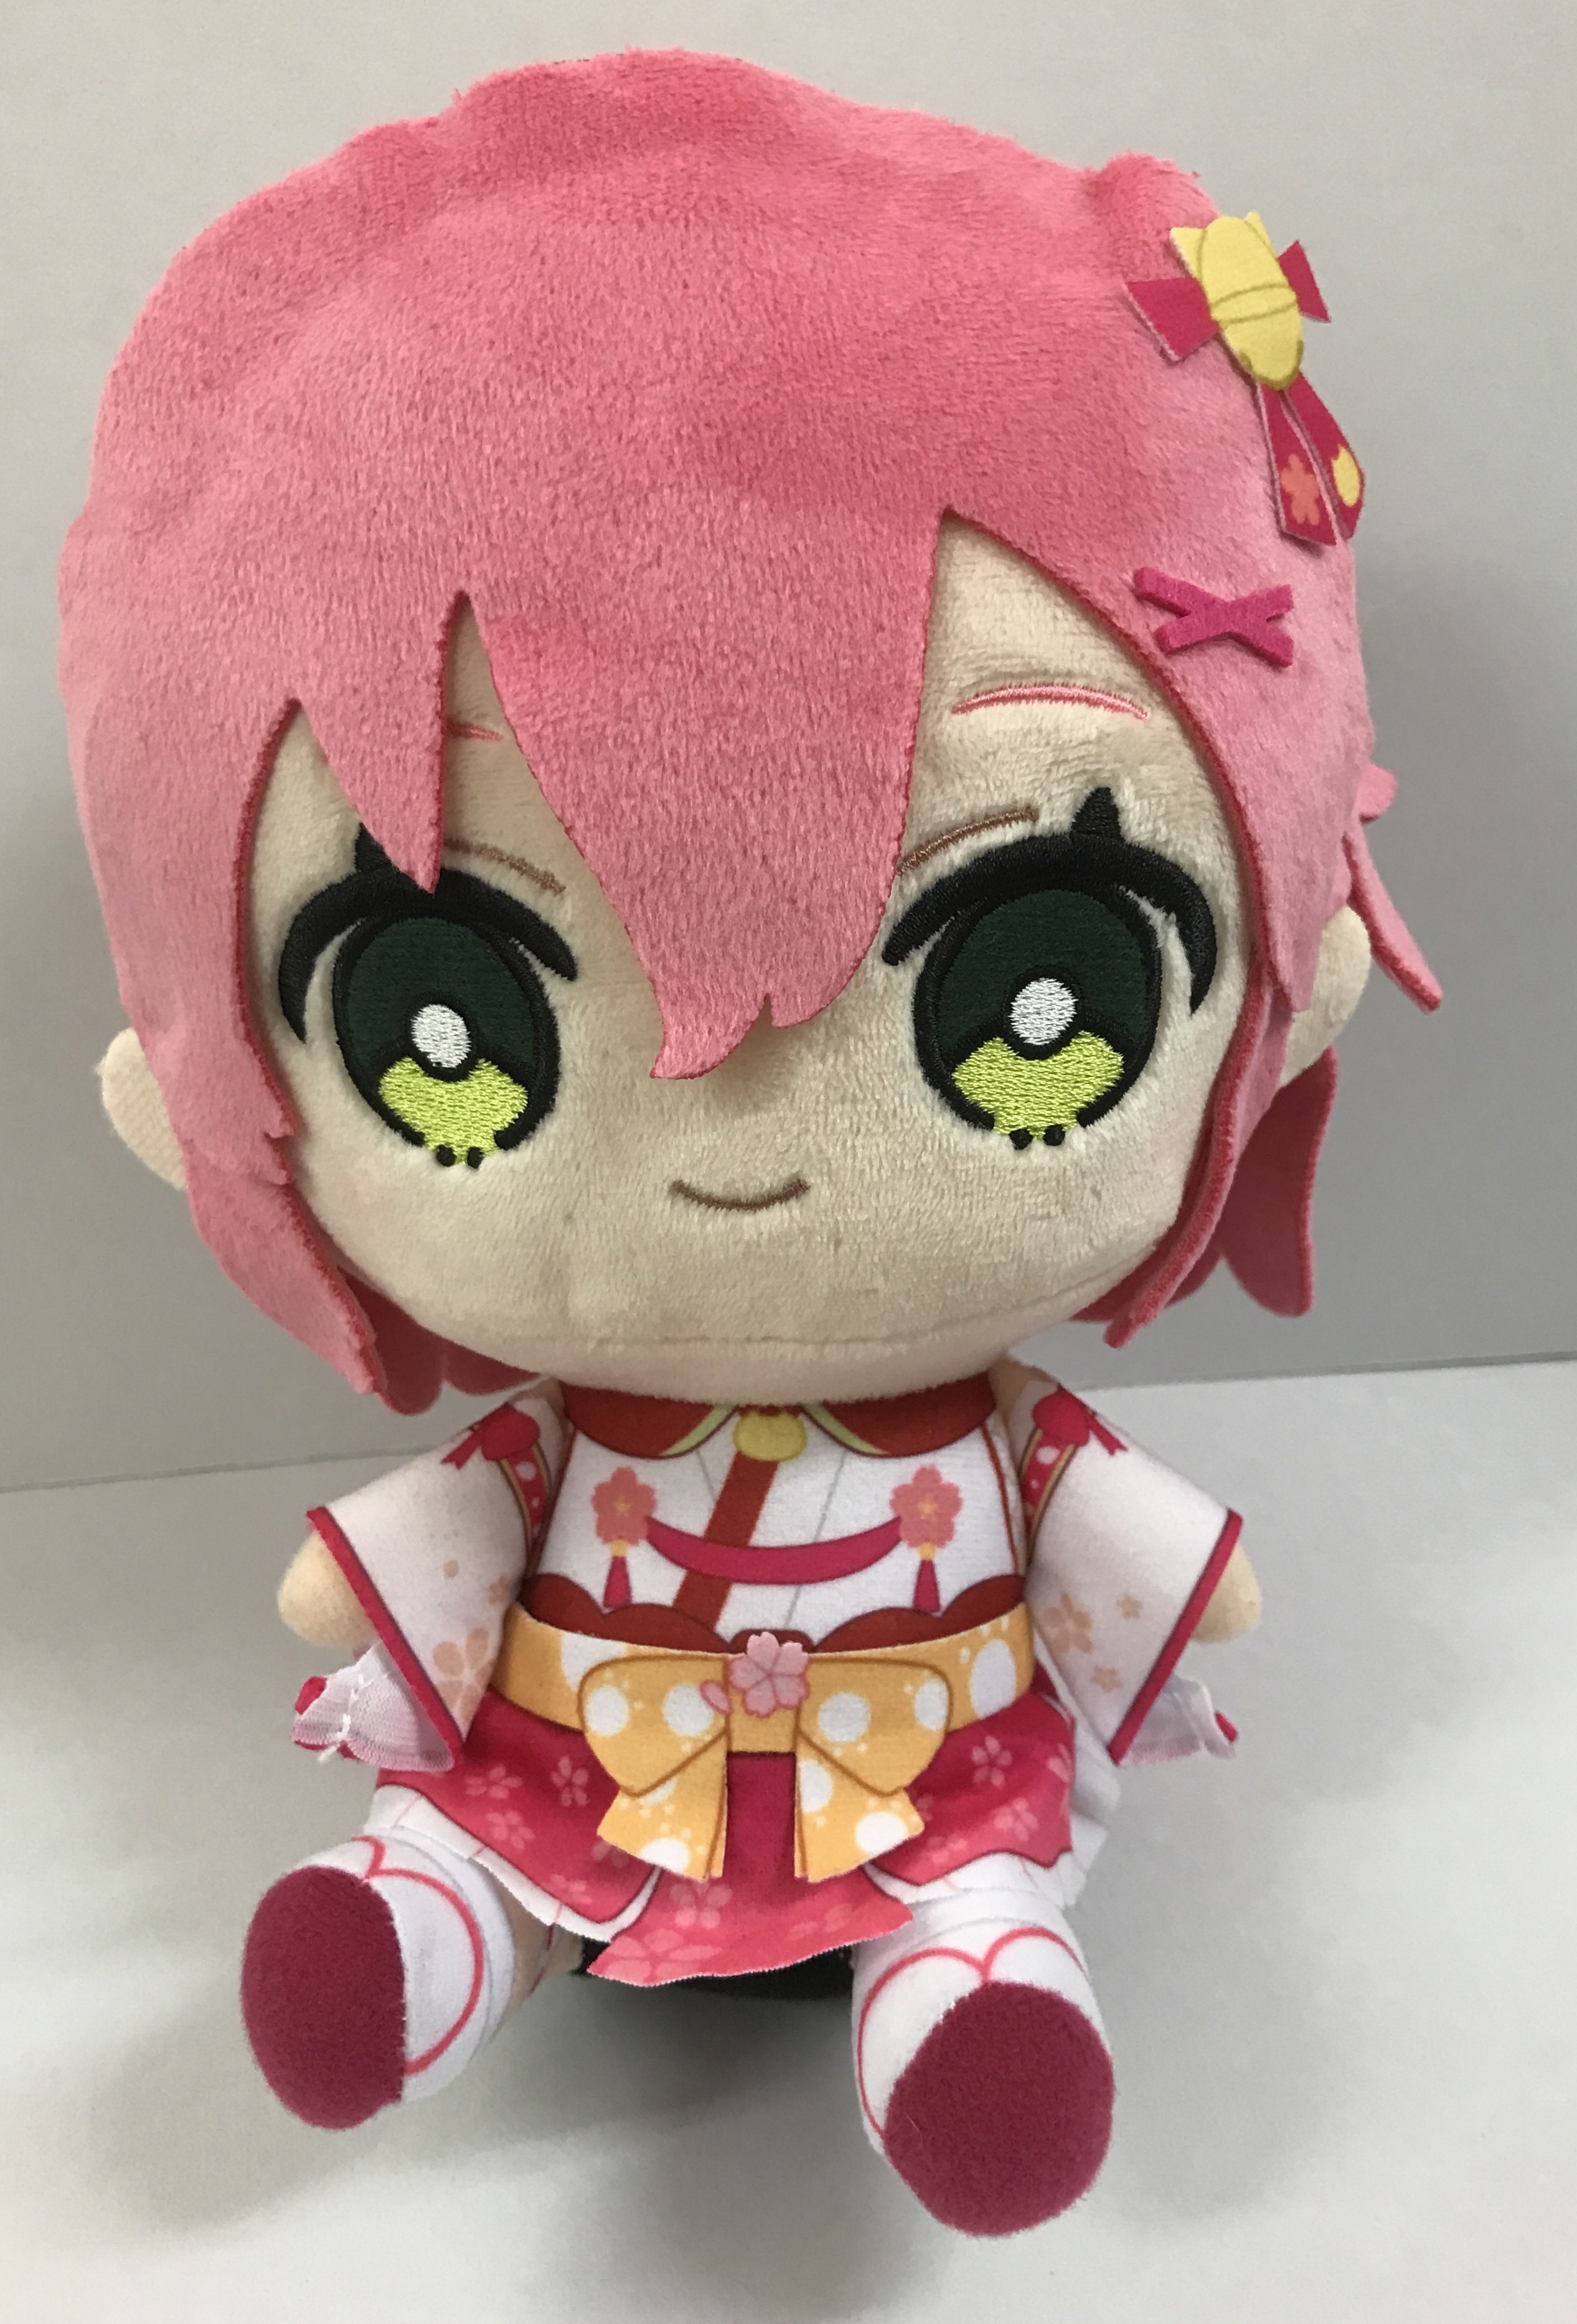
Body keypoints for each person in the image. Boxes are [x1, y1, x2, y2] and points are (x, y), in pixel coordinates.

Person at [62, 51, 1436, 2237]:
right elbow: (438, 1538)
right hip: (585, 1746)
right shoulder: (576, 1444)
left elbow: (1130, 1539)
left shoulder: (979, 1440)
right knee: (499, 1826)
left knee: (966, 1876)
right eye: (449, 1027)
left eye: (1034, 984)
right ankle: (439, 1915)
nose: (740, 1154)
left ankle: (963, 1978)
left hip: (925, 1762)